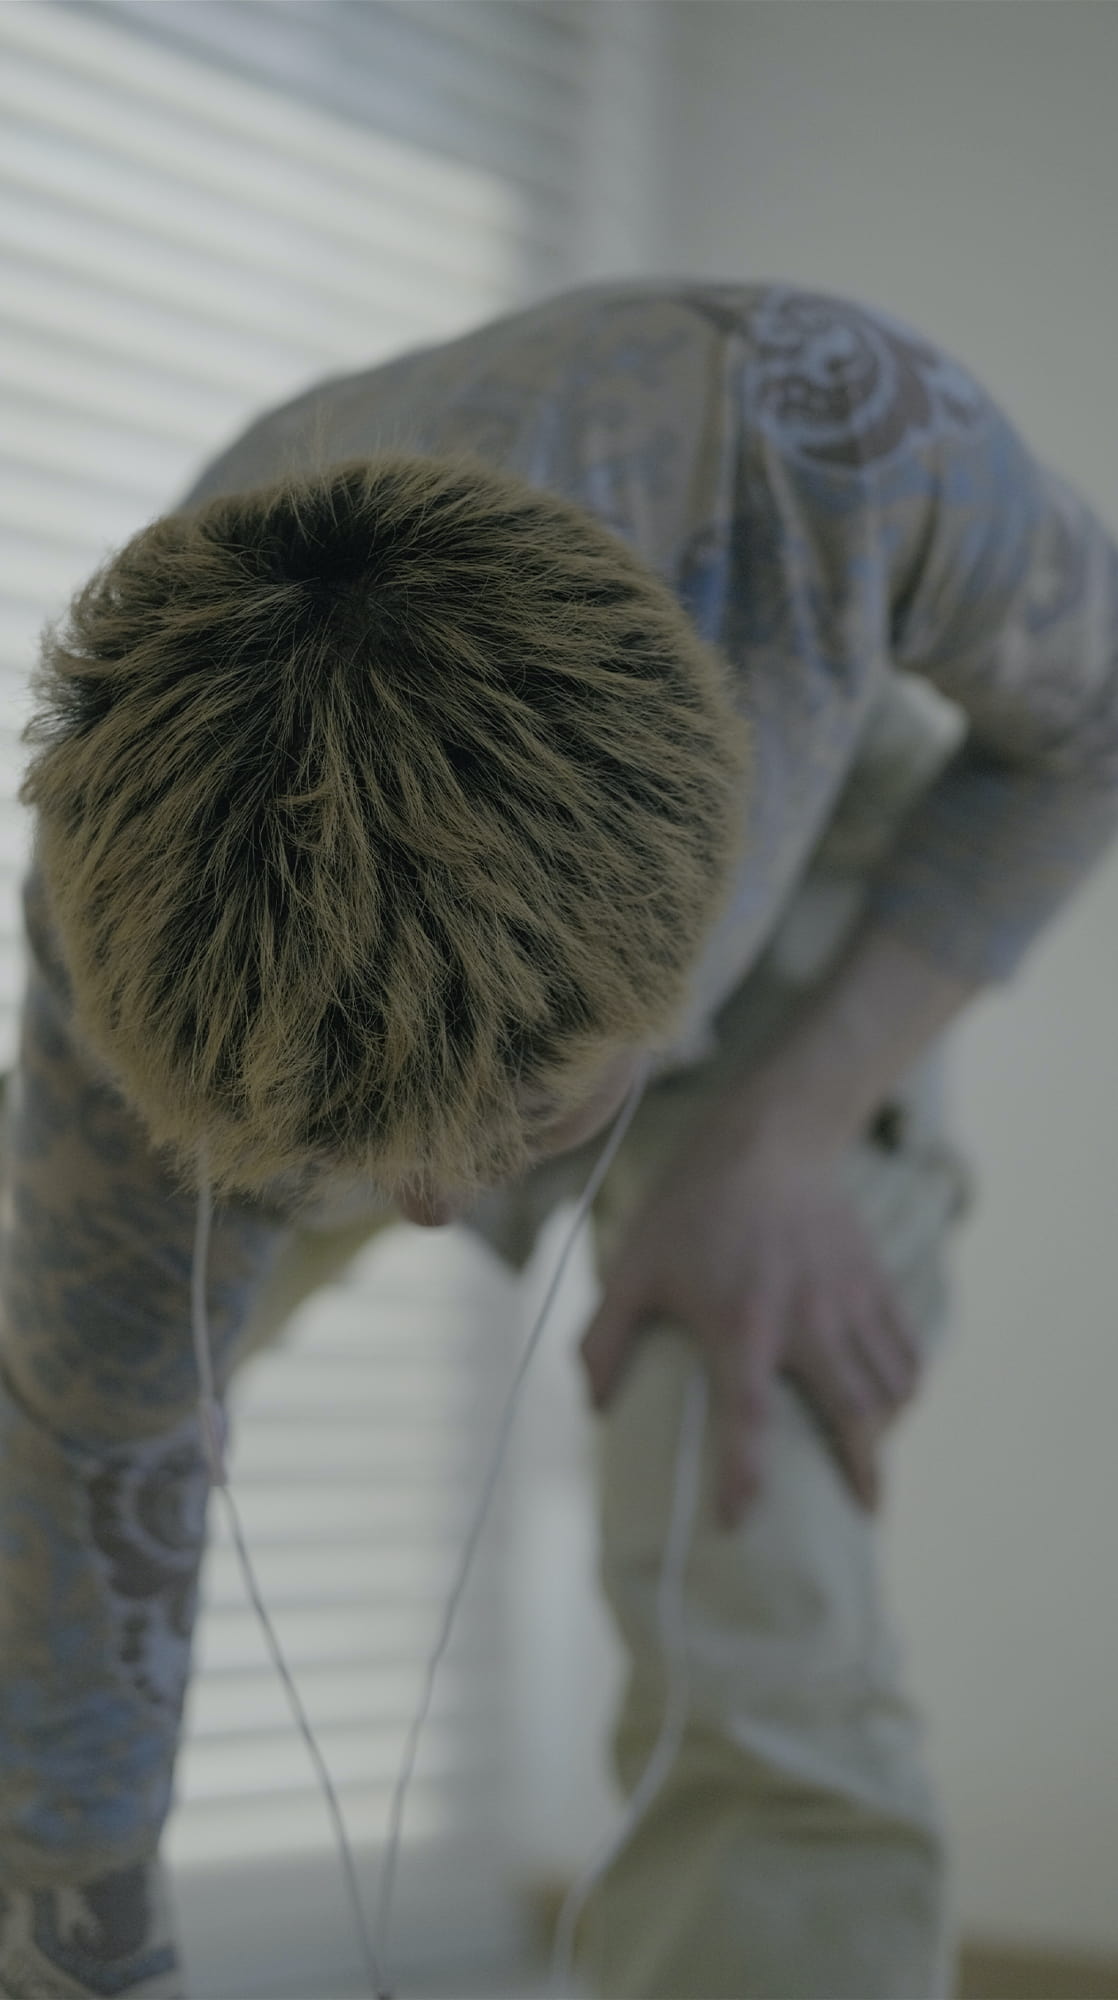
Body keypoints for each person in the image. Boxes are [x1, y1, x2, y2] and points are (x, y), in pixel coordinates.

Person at [1, 278, 1116, 2000]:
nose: (430, 1213)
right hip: (313, 977)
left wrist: (782, 1136)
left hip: (806, 911)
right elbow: (87, 1489)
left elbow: (1093, 723)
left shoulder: (837, 448)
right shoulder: (130, 937)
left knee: (744, 1560)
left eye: (510, 1129)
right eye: (353, 1171)